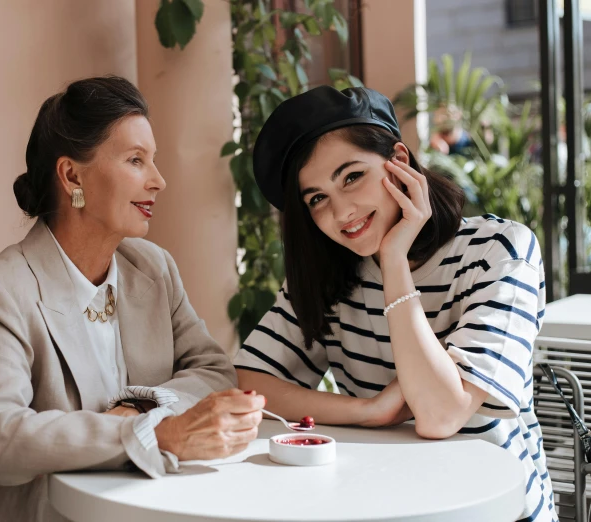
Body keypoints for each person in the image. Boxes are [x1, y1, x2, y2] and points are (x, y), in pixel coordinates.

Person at [0, 76, 264, 522]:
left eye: (153, 161)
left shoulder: (153, 267)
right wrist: (155, 436)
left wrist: (140, 405)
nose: (158, 181)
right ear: (71, 175)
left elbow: (214, 372)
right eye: (136, 160)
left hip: (123, 503)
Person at [235, 86, 556, 522]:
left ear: (399, 163)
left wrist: (392, 261)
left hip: (495, 511)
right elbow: (251, 386)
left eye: (352, 177)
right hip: (381, 506)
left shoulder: (500, 251)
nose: (342, 211)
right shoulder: (330, 274)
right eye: (317, 199)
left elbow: (441, 414)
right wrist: (368, 411)